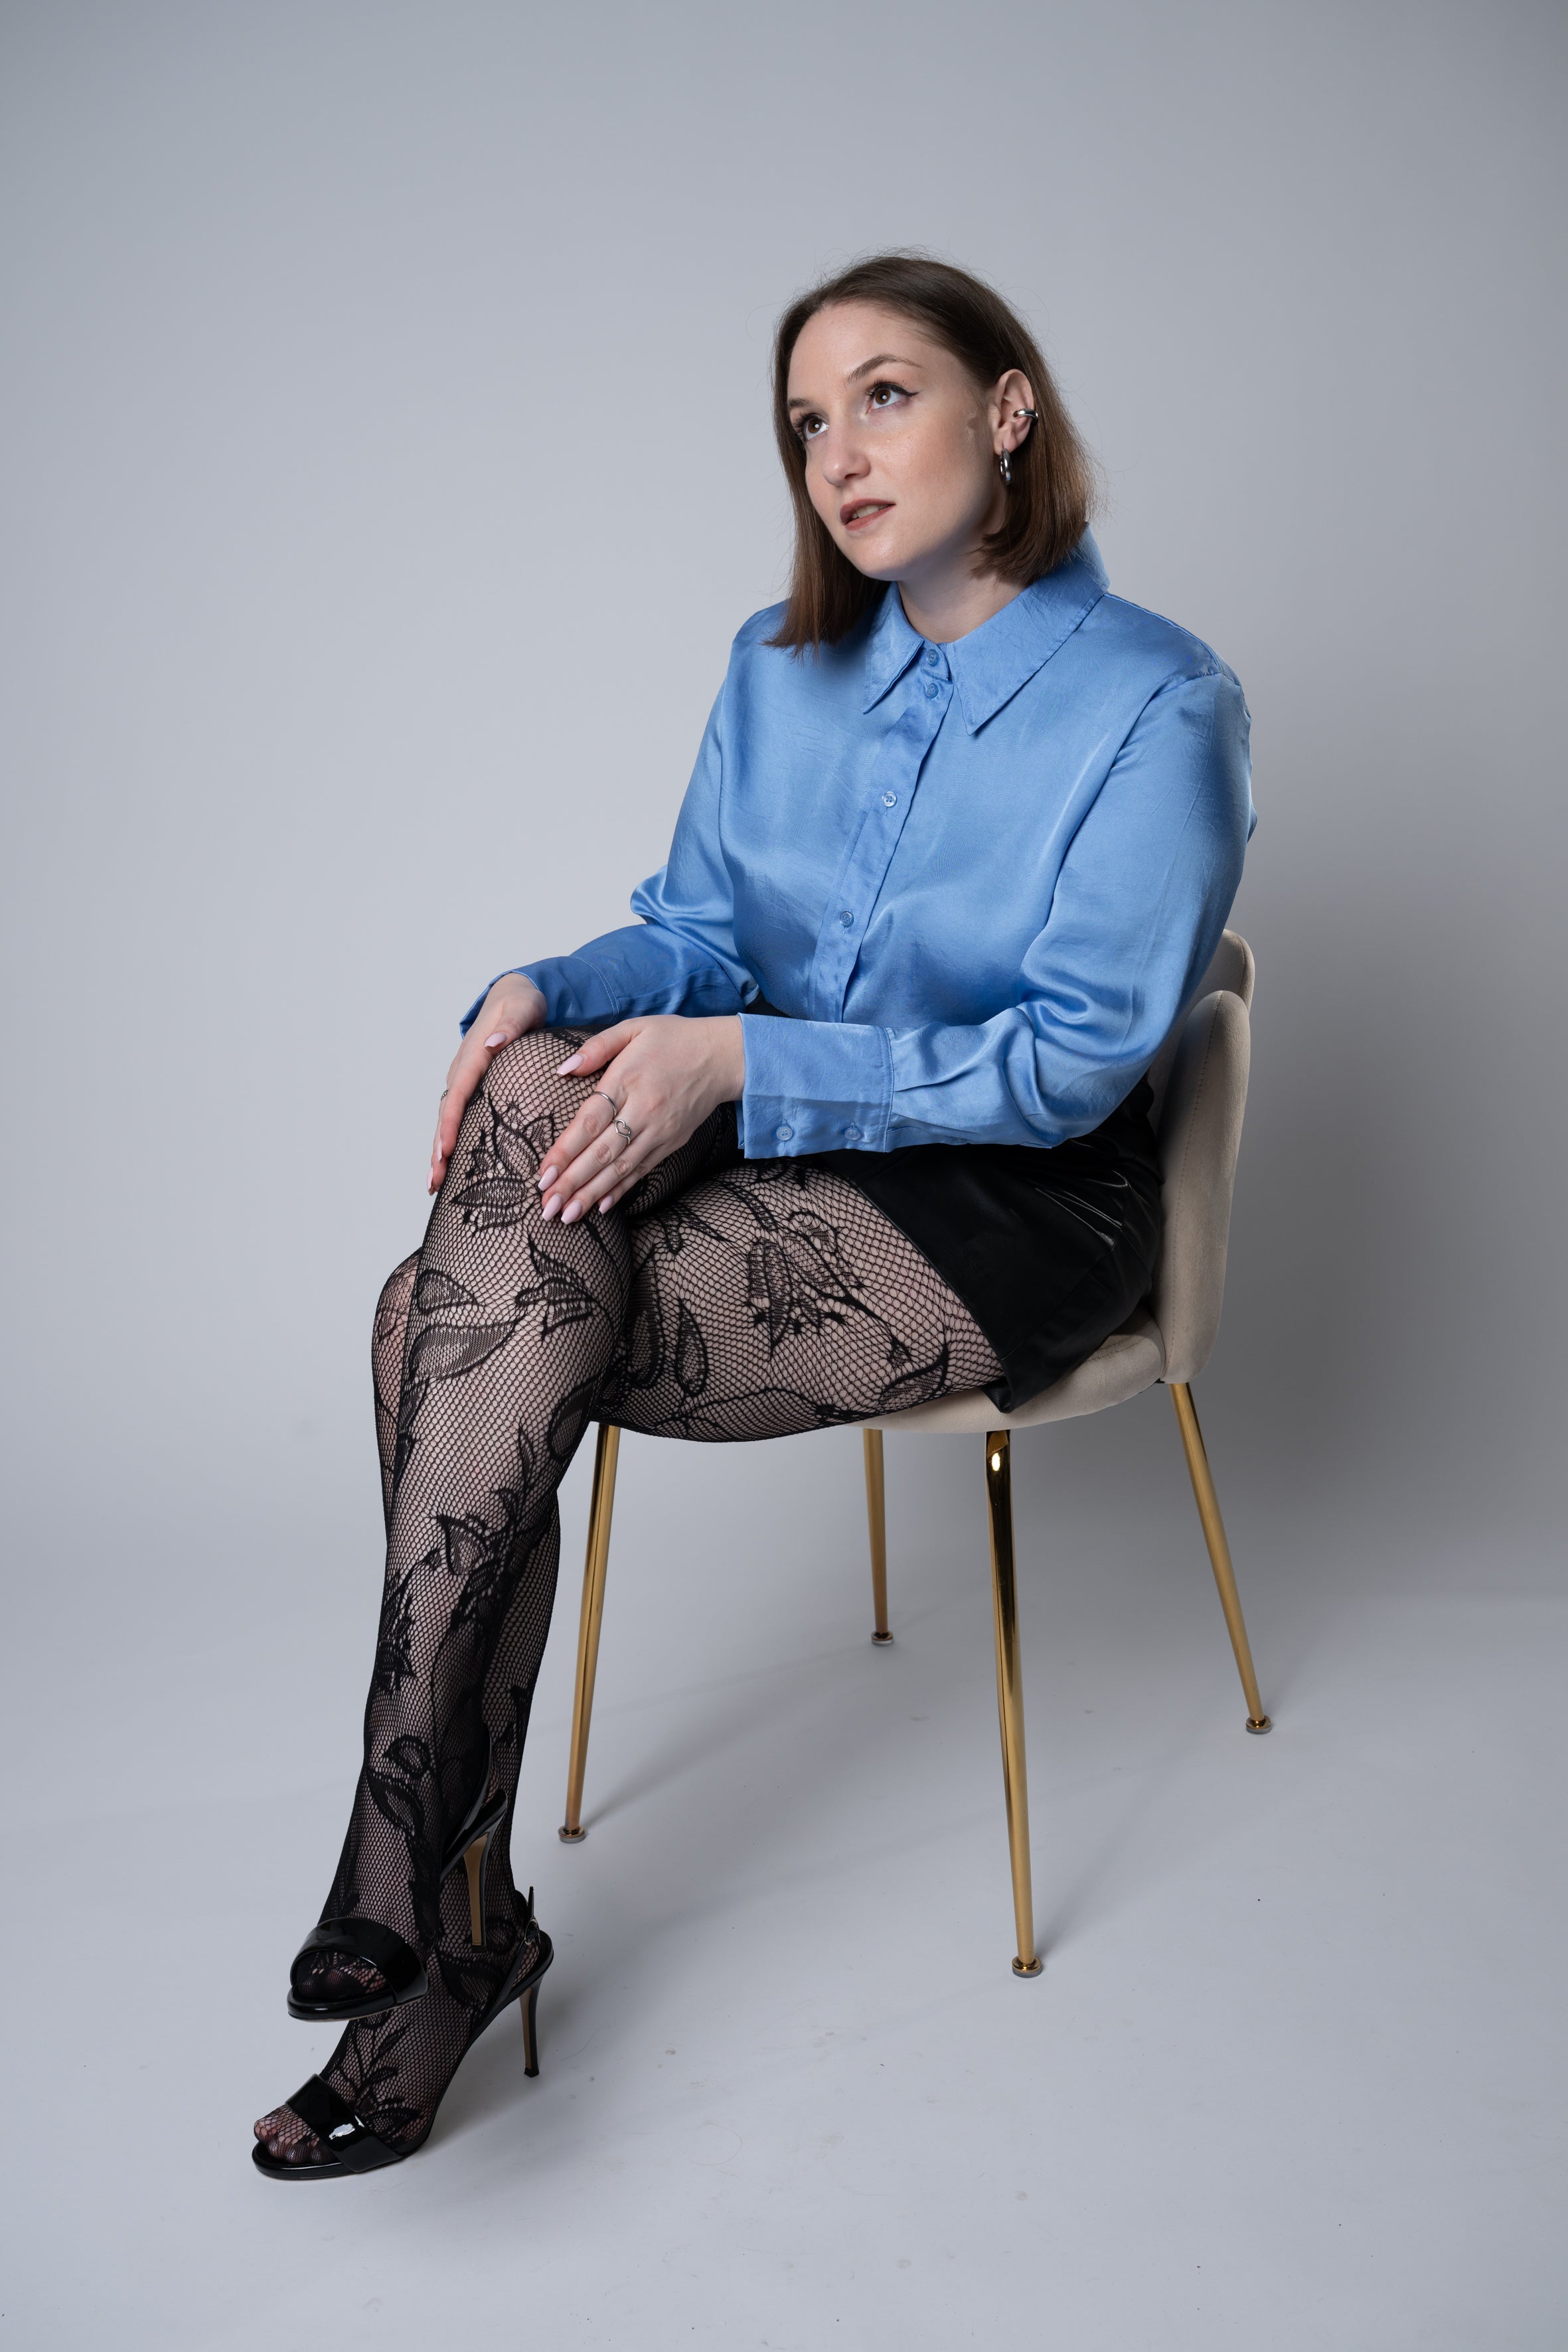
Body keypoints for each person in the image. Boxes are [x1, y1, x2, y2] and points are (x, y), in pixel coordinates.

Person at [253, 252, 1254, 2177]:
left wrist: (743, 1066)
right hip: (782, 1157)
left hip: (1008, 1204)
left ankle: (426, 1899)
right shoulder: (775, 668)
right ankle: (438, 1901)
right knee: (524, 1121)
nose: (839, 455)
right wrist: (551, 985)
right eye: (808, 423)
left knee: (432, 1330)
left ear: (1008, 411)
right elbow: (704, 940)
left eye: (885, 396)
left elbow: (1068, 1067)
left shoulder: (1160, 702)